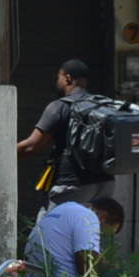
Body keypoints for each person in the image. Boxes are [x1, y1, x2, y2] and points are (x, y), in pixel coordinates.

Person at [15, 58, 110, 204]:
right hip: (105, 184)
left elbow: (31, 146)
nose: (57, 81)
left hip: (72, 185)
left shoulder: (59, 107)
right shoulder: (101, 105)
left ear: (68, 78)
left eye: (58, 77)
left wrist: (3, 155)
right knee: (90, 226)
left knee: (50, 226)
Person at [26, 194, 125, 277]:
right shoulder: (89, 217)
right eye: (101, 234)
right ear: (103, 217)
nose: (99, 239)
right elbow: (85, 265)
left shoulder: (65, 208)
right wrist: (109, 266)